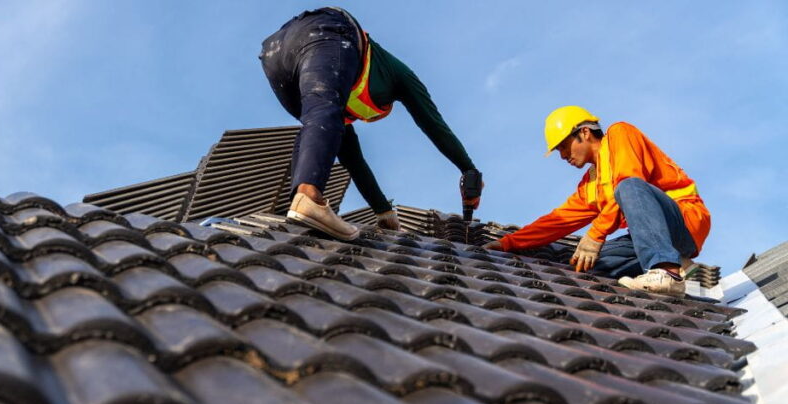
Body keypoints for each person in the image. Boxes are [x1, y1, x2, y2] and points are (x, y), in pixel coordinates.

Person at [259, 7, 482, 240]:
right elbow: (433, 124)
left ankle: (298, 206)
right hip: (327, 30)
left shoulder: (337, 101)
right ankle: (308, 196)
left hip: (275, 54)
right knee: (325, 113)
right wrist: (468, 169)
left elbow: (354, 160)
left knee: (316, 128)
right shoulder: (399, 75)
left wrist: (383, 211)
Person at [483, 106, 710, 297]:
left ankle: (668, 272)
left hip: (684, 220)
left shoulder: (620, 134)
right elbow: (557, 220)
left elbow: (629, 181)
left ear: (584, 132)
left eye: (563, 146)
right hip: (652, 236)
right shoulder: (591, 183)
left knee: (628, 186)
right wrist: (507, 243)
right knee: (591, 264)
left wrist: (595, 234)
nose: (563, 156)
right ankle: (675, 262)